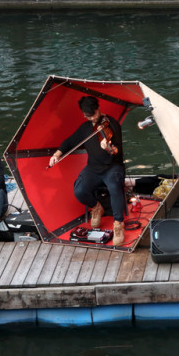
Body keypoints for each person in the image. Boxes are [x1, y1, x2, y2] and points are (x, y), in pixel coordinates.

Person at [49, 96, 126, 246]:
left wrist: (108, 148)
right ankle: (96, 207)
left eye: (91, 115)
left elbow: (116, 151)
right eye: (86, 115)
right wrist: (56, 154)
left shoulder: (113, 125)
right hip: (93, 168)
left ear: (98, 110)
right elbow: (70, 141)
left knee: (114, 187)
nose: (89, 118)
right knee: (79, 190)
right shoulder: (85, 128)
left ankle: (118, 224)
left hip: (112, 167)